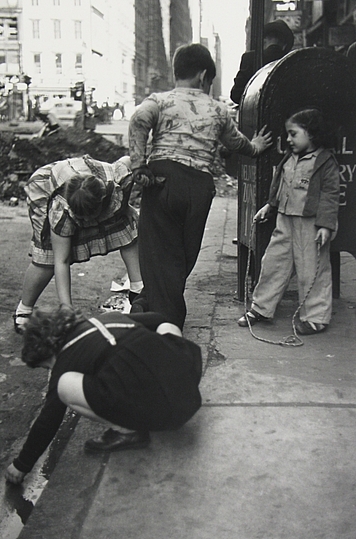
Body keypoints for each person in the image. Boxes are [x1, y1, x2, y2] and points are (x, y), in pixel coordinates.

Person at [128, 42, 272, 330]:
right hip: (198, 187)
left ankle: (164, 320)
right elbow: (237, 143)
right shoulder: (218, 110)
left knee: (157, 253)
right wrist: (256, 147)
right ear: (204, 76)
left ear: (176, 71)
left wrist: (138, 165)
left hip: (162, 179)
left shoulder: (160, 101)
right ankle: (149, 307)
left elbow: (138, 121)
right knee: (185, 253)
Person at [5, 305, 202, 485]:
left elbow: (49, 419)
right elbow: (159, 317)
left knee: (64, 386)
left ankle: (128, 431)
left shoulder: (66, 359)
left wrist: (22, 465)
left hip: (167, 414)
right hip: (189, 393)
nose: (51, 371)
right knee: (167, 326)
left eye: (47, 366)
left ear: (49, 350)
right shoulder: (110, 318)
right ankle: (176, 378)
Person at [13, 155, 143, 334]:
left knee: (127, 229)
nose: (87, 222)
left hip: (88, 186)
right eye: (81, 218)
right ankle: (24, 310)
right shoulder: (61, 210)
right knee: (47, 257)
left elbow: (129, 160)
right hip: (46, 188)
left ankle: (139, 291)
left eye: (89, 217)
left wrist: (125, 204)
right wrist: (66, 306)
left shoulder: (119, 177)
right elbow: (62, 261)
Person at [238, 108, 340, 335]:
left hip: (310, 225)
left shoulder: (325, 162)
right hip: (285, 220)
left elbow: (330, 195)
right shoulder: (289, 159)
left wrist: (325, 225)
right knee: (273, 263)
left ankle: (315, 317)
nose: (289, 139)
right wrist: (269, 206)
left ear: (311, 134)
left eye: (294, 134)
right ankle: (261, 307)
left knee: (311, 269)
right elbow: (279, 185)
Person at [230, 19, 294, 105]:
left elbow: (236, 95)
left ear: (265, 40)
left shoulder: (250, 58)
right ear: (285, 45)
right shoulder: (291, 61)